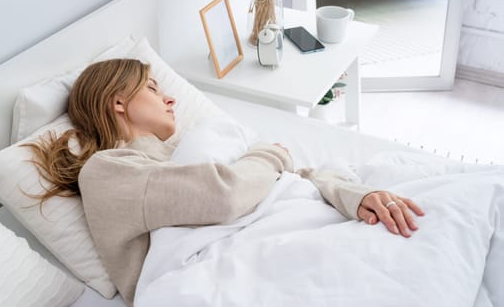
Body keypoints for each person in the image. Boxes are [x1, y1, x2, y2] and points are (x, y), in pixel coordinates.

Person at [26, 58, 424, 307]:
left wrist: (355, 195)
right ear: (117, 102)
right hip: (219, 273)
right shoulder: (108, 170)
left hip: (292, 223)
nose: (170, 99)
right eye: (152, 88)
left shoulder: (185, 149)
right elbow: (225, 194)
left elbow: (287, 177)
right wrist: (268, 153)